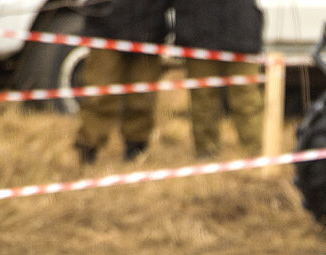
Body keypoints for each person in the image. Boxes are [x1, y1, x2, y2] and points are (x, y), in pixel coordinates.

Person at [74, 0, 169, 165]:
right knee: (100, 93)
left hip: (149, 28)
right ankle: (88, 148)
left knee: (142, 95)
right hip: (105, 25)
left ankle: (136, 149)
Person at [170, 0, 265, 159]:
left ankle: (255, 150)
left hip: (241, 32)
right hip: (197, 32)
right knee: (203, 97)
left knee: (246, 98)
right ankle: (206, 150)